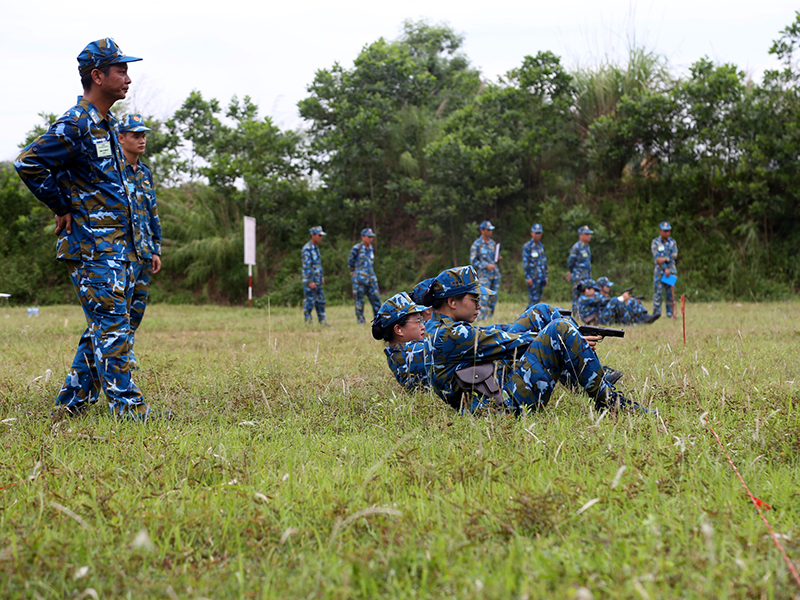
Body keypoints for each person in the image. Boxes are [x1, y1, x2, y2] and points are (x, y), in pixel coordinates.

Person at [14, 38, 156, 420]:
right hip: (93, 247)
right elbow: (28, 163)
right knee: (113, 329)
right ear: (98, 76)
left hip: (116, 247)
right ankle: (131, 412)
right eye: (120, 70)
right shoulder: (75, 123)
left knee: (104, 326)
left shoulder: (106, 125)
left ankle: (72, 403)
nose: (128, 77)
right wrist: (60, 205)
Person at [422, 266, 647, 415]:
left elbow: (495, 333)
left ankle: (582, 376)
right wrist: (567, 338)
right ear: (452, 302)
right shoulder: (448, 335)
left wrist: (567, 336)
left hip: (490, 391)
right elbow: (507, 342)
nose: (480, 303)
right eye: (475, 298)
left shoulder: (443, 327)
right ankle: (611, 403)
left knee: (540, 312)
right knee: (558, 330)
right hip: (495, 409)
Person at [118, 114, 162, 366]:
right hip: (122, 251)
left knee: (138, 306)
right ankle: (119, 351)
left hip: (144, 250)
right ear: (121, 138)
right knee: (120, 304)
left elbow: (152, 211)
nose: (142, 140)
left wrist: (155, 248)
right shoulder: (113, 171)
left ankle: (129, 345)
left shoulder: (145, 172)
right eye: (136, 135)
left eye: (143, 135)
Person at [372, 293, 430, 392]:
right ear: (398, 329)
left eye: (422, 320)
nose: (423, 326)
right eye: (418, 321)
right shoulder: (410, 353)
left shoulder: (399, 352)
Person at [348, 228, 381, 324]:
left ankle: (378, 320)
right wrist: (353, 271)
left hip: (371, 278)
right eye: (369, 237)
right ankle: (361, 321)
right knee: (359, 301)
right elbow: (350, 261)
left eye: (372, 237)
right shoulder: (357, 248)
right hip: (359, 280)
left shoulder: (371, 248)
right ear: (363, 237)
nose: (371, 239)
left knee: (376, 300)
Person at [469, 220, 501, 320]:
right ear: (482, 230)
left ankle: (490, 317)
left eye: (491, 229)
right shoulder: (476, 244)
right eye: (488, 230)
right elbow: (473, 261)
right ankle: (481, 318)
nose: (490, 231)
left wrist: (497, 258)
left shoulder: (492, 243)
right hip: (484, 275)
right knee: (483, 297)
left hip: (495, 274)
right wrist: (486, 265)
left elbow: (493, 258)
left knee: (493, 296)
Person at [301, 226, 328, 325]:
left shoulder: (316, 248)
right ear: (313, 235)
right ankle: (308, 322)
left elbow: (317, 264)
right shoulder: (307, 249)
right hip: (311, 281)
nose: (320, 237)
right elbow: (307, 267)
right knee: (309, 302)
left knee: (321, 301)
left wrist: (321, 276)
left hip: (318, 280)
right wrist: (310, 281)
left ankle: (322, 321)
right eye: (319, 235)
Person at [652, 221, 678, 318]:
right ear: (660, 231)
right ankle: (656, 314)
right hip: (659, 272)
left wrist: (665, 259)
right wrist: (665, 266)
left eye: (668, 231)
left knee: (670, 294)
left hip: (671, 272)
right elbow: (657, 259)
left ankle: (670, 313)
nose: (667, 233)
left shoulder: (672, 242)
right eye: (665, 231)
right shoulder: (655, 242)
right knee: (658, 293)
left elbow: (674, 256)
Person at [567, 225, 593, 316]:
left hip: (586, 276)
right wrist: (574, 272)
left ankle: (583, 315)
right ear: (581, 236)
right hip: (578, 276)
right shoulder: (576, 247)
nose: (589, 236)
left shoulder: (587, 247)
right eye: (587, 234)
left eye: (589, 234)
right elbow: (570, 262)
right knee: (576, 296)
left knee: (584, 296)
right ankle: (576, 316)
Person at [522, 223, 548, 307]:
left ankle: (533, 317)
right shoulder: (527, 246)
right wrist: (528, 277)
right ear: (532, 233)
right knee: (533, 301)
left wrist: (545, 276)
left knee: (537, 300)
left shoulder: (541, 245)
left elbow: (544, 261)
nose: (538, 235)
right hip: (533, 278)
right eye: (536, 233)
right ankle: (525, 317)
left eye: (539, 233)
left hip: (541, 278)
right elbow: (526, 263)